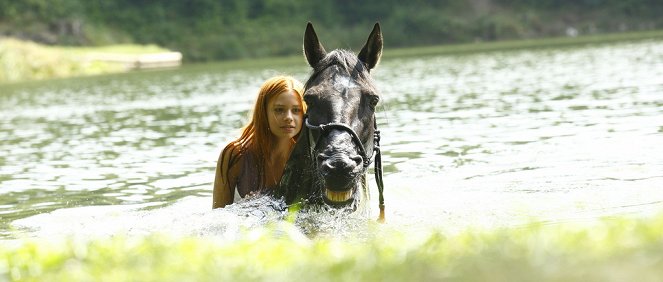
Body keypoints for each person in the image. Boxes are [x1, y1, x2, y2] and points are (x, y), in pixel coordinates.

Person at [213, 75, 306, 209]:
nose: (288, 118)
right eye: (279, 110)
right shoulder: (235, 154)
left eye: (296, 110)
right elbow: (217, 216)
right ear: (263, 112)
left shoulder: (310, 156)